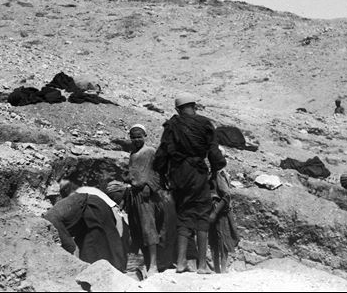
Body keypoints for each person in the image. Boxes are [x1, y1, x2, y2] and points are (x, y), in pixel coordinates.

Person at [153, 93, 226, 274]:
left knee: (183, 215)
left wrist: (162, 173)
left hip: (178, 175)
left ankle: (180, 262)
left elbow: (162, 153)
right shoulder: (205, 124)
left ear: (178, 109)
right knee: (202, 215)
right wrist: (216, 170)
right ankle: (201, 266)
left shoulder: (172, 125)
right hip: (198, 173)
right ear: (194, 106)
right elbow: (214, 153)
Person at [42, 178, 127, 271]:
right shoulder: (50, 219)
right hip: (84, 215)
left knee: (106, 245)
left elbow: (70, 246)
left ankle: (116, 270)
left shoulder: (50, 222)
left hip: (92, 206)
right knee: (90, 249)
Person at [125, 124, 176, 275]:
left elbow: (159, 172)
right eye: (133, 137)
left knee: (149, 227)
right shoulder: (133, 154)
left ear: (145, 136)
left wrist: (150, 186)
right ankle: (142, 262)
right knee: (137, 227)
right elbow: (133, 173)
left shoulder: (150, 152)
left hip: (147, 195)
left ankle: (153, 264)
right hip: (135, 194)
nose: (136, 139)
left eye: (139, 136)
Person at [208, 163, 239, 274]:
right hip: (213, 211)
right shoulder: (212, 174)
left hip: (220, 213)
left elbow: (226, 195)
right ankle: (217, 270)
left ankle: (223, 269)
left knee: (222, 241)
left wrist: (215, 212)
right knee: (214, 241)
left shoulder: (219, 175)